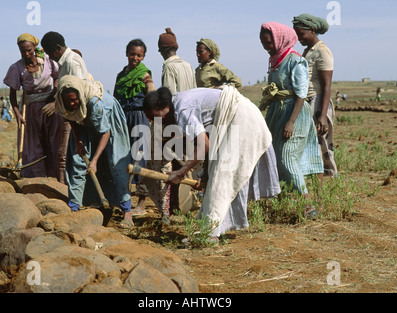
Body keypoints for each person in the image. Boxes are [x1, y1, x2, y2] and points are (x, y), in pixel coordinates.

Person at [143, 86, 280, 241]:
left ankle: (210, 233)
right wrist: (206, 174)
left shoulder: (182, 110)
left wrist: (180, 172)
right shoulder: (178, 103)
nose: (158, 123)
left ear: (162, 105)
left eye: (155, 117)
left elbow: (205, 145)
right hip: (236, 117)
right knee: (216, 175)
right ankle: (212, 228)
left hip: (242, 118)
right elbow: (210, 141)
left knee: (222, 176)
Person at [259, 22, 323, 218]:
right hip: (276, 113)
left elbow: (301, 93)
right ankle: (284, 200)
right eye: (263, 43)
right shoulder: (275, 60)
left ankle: (308, 205)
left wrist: (291, 122)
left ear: (279, 39)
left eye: (268, 42)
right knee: (274, 157)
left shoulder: (295, 61)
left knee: (287, 158)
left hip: (293, 113)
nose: (266, 46)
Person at [137, 28, 198, 224]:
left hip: (172, 122)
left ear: (161, 50)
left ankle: (167, 211)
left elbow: (166, 99)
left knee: (164, 166)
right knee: (185, 164)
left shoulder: (168, 67)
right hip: (188, 120)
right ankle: (183, 208)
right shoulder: (188, 65)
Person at [55, 75, 133, 227]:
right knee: (78, 160)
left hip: (109, 121)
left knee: (116, 162)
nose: (71, 103)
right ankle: (74, 208)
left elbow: (105, 132)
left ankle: (127, 212)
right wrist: (78, 142)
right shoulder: (63, 102)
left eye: (74, 99)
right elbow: (72, 118)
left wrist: (95, 160)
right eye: (68, 101)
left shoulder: (94, 102)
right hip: (84, 123)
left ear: (80, 95)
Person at [3, 33, 63, 178]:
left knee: (53, 141)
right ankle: (35, 177)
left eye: (29, 50)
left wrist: (54, 97)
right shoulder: (16, 68)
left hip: (50, 107)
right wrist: (17, 114)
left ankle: (55, 176)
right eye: (23, 51)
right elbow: (13, 95)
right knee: (33, 145)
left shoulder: (48, 61)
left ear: (34, 47)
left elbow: (58, 77)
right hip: (31, 110)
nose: (26, 53)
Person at [41, 31, 91, 184]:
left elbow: (76, 92)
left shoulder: (71, 62)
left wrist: (56, 104)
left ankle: (64, 189)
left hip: (74, 116)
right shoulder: (66, 61)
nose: (49, 57)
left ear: (57, 48)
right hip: (71, 115)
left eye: (49, 53)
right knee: (66, 153)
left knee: (64, 155)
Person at [293, 13, 338, 178]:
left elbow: (327, 86)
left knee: (322, 146)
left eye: (301, 34)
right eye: (296, 35)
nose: (299, 38)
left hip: (318, 102)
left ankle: (325, 187)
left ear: (312, 30)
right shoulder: (308, 51)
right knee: (311, 146)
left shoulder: (322, 51)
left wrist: (323, 115)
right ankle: (314, 182)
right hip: (308, 103)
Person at [113, 39, 155, 216]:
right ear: (126, 53)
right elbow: (115, 98)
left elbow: (151, 91)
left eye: (139, 55)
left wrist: (151, 109)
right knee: (122, 157)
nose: (135, 58)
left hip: (139, 117)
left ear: (143, 56)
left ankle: (142, 202)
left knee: (140, 157)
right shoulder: (121, 75)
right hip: (123, 119)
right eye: (132, 54)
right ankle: (124, 199)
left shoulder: (144, 73)